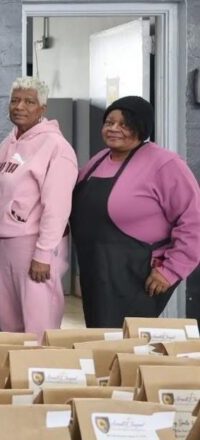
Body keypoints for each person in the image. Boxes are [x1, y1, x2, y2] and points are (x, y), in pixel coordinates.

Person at [70, 96, 200, 327]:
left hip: (139, 274)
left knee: (127, 340)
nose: (114, 129)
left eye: (125, 124)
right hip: (97, 270)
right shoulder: (99, 160)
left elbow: (193, 220)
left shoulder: (165, 164)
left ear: (141, 127)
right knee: (102, 335)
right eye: (109, 122)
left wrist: (171, 270)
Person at [0, 77, 78, 340]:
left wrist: (43, 254)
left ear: (42, 109)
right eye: (14, 100)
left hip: (34, 245)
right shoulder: (8, 143)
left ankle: (43, 376)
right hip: (2, 244)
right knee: (11, 325)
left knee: (40, 325)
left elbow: (57, 207)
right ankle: (19, 376)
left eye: (29, 101)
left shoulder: (56, 147)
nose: (19, 107)